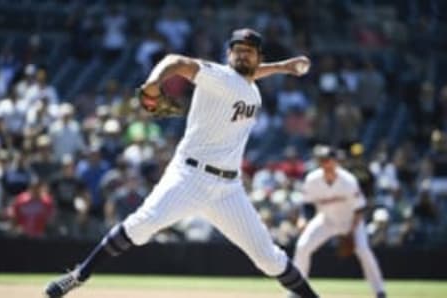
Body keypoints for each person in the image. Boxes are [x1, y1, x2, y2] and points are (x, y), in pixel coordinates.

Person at [44, 28, 319, 298]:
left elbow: (251, 74)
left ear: (258, 57)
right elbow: (175, 62)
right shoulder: (219, 77)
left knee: (269, 259)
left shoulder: (250, 87)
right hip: (189, 177)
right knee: (141, 225)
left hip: (229, 189)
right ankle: (78, 275)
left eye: (249, 52)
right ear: (228, 54)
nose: (243, 56)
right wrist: (153, 84)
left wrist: (284, 67)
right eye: (237, 51)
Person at [293, 146, 386, 298]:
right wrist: (303, 219)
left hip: (351, 222)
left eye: (329, 160)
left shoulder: (348, 180)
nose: (326, 163)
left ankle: (379, 291)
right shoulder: (312, 179)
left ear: (336, 161)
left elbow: (359, 208)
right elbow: (307, 204)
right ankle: (296, 291)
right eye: (322, 160)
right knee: (302, 246)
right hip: (326, 220)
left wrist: (350, 233)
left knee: (363, 251)